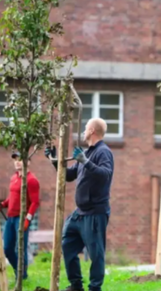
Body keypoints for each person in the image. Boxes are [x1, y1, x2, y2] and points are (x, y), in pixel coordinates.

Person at [45, 117, 114, 291]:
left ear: (92, 131)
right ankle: (76, 286)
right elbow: (69, 175)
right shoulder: (87, 153)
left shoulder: (103, 152)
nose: (83, 131)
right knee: (67, 245)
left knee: (96, 254)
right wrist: (53, 160)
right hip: (79, 213)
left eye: (85, 128)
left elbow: (105, 174)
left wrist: (85, 161)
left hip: (95, 213)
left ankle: (94, 288)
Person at [0, 152, 40, 280]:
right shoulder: (14, 177)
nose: (17, 162)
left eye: (20, 159)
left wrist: (27, 219)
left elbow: (35, 202)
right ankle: (19, 270)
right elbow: (12, 196)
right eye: (15, 159)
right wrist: (4, 204)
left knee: (20, 248)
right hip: (10, 218)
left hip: (21, 218)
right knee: (7, 248)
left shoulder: (32, 180)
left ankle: (22, 276)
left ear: (28, 162)